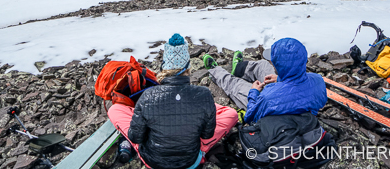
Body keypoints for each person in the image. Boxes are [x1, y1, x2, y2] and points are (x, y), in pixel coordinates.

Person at [107, 34, 238, 169]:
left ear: (164, 67)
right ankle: (201, 144)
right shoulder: (203, 94)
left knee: (115, 109)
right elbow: (207, 135)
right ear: (188, 67)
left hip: (153, 161)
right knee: (231, 114)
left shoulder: (148, 96)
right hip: (190, 161)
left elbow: (135, 137)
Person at [203, 38, 327, 123]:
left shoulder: (268, 99)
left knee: (237, 85)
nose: (271, 63)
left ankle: (215, 71)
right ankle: (239, 68)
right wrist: (279, 79)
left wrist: (254, 92)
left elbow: (251, 115)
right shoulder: (318, 81)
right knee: (263, 65)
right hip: (287, 90)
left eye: (273, 62)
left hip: (275, 108)